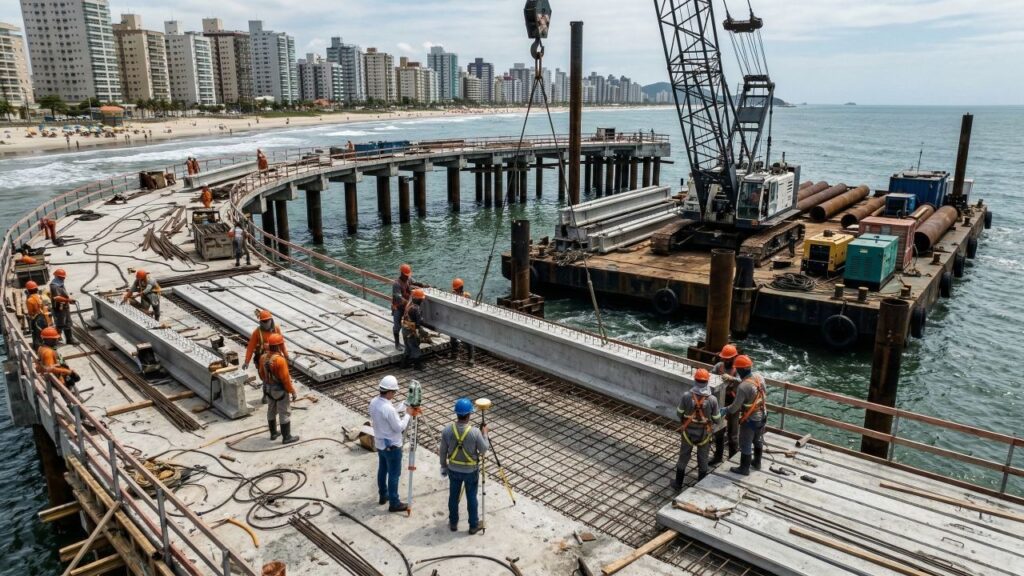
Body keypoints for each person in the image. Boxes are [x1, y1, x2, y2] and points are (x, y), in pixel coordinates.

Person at [439, 398, 490, 534]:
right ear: (469, 415)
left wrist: (443, 466)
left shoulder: (447, 430)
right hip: (470, 471)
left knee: (453, 497)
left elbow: (442, 451)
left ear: (457, 414)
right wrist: (485, 434)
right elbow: (484, 449)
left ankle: (453, 523)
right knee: (471, 497)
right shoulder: (475, 432)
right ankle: (473, 525)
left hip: (453, 470)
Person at [671, 368, 721, 490]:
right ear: (707, 381)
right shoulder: (712, 399)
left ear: (695, 380)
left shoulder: (686, 396)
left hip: (688, 432)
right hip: (704, 434)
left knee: (683, 457)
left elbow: (679, 413)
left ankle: (678, 484)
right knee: (703, 459)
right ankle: (700, 486)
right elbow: (717, 419)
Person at [369, 375, 410, 512]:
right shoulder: (388, 409)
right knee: (394, 474)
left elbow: (387, 412)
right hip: (392, 447)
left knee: (383, 469)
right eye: (394, 392)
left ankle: (383, 495)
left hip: (380, 444)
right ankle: (394, 503)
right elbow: (399, 427)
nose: (394, 394)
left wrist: (402, 406)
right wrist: (408, 414)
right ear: (390, 392)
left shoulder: (374, 402)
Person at [723, 355, 767, 476]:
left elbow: (734, 408)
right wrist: (733, 378)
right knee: (758, 440)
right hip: (762, 415)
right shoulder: (759, 377)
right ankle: (757, 462)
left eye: (737, 369)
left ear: (741, 370)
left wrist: (724, 410)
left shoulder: (743, 387)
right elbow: (762, 392)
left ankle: (744, 468)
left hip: (750, 420)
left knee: (745, 443)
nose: (736, 370)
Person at [259, 333, 299, 444]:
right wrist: (292, 391)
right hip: (279, 391)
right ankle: (287, 437)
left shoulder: (263, 358)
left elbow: (261, 375)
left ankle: (273, 433)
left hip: (267, 389)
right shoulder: (280, 360)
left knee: (271, 410)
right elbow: (285, 379)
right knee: (284, 412)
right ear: (278, 346)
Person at [709, 344, 740, 465]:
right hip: (720, 402)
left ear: (734, 358)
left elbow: (743, 380)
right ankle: (718, 457)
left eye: (729, 358)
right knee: (719, 430)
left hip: (733, 403)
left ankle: (732, 459)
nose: (726, 360)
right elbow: (710, 378)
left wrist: (732, 378)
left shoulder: (738, 369)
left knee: (733, 433)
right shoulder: (718, 366)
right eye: (724, 358)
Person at [449, 278, 475, 364]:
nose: (455, 290)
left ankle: (471, 358)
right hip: (455, 319)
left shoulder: (467, 296)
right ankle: (454, 354)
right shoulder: (453, 295)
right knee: (453, 337)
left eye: (456, 288)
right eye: (455, 289)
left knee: (468, 339)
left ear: (461, 288)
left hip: (464, 320)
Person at [49, 269, 75, 345]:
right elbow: (56, 298)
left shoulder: (60, 284)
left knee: (67, 323)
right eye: (61, 277)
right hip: (58, 309)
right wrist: (68, 300)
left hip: (64, 307)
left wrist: (67, 301)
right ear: (57, 277)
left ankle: (69, 340)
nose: (63, 278)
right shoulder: (54, 286)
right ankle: (54, 340)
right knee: (60, 325)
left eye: (63, 277)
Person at [401, 289, 426, 370]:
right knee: (415, 347)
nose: (422, 300)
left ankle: (404, 364)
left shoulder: (409, 304)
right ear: (419, 299)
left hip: (404, 328)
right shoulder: (417, 308)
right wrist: (419, 333)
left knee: (408, 347)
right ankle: (418, 365)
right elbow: (419, 323)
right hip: (410, 330)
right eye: (421, 299)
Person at [391, 264, 413, 350]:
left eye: (408, 275)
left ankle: (409, 343)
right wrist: (407, 302)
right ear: (401, 273)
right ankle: (397, 343)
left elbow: (415, 282)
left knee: (409, 325)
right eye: (405, 275)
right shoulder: (396, 284)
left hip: (406, 307)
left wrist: (424, 285)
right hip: (398, 307)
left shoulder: (409, 279)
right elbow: (398, 297)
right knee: (397, 327)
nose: (407, 277)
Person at [25, 280, 51, 349]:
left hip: (37, 318)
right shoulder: (40, 296)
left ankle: (38, 348)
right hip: (44, 317)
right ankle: (47, 346)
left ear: (28, 290)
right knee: (45, 332)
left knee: (37, 334)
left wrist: (30, 316)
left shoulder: (29, 300)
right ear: (36, 289)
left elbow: (30, 312)